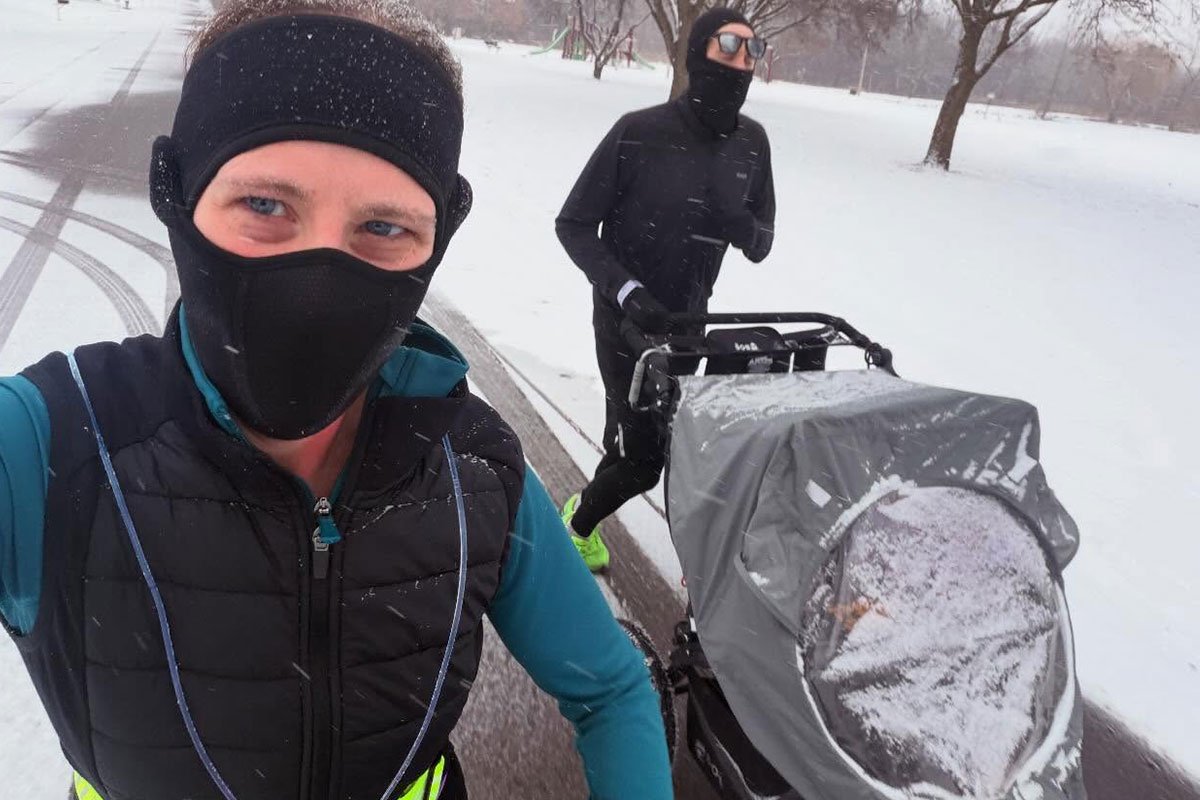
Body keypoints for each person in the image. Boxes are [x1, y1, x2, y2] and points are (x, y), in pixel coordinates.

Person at [0, 3, 673, 798]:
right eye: (264, 206)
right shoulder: (47, 447)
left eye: (383, 227)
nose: (319, 284)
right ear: (178, 194)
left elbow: (611, 688)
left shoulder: (473, 469)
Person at [555, 7, 777, 571]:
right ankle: (576, 525)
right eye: (730, 46)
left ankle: (612, 460)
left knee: (642, 435)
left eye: (754, 50)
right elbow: (574, 224)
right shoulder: (640, 130)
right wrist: (625, 289)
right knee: (646, 460)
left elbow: (763, 239)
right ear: (698, 51)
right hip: (624, 317)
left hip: (689, 325)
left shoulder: (752, 143)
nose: (743, 62)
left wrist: (739, 225)